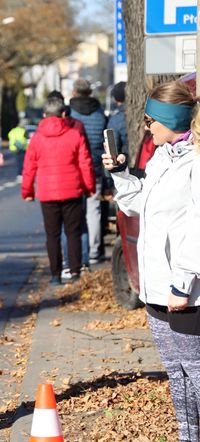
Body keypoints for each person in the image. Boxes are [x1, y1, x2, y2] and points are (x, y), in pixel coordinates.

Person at [104, 80, 200, 441]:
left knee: (196, 371)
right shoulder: (161, 156)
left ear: (170, 119)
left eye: (149, 120)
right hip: (156, 287)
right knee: (176, 373)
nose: (146, 126)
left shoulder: (195, 160)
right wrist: (120, 174)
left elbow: (198, 224)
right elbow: (139, 204)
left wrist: (184, 281)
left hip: (185, 291)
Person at [22, 96, 95, 285]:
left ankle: (55, 274)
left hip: (47, 193)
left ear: (45, 115)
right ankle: (75, 272)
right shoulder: (74, 135)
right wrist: (89, 187)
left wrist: (27, 191)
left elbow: (29, 167)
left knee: (52, 235)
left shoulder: (37, 139)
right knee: (73, 233)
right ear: (64, 114)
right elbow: (85, 163)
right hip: (72, 190)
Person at [69, 78, 107, 264]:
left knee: (76, 211)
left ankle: (77, 252)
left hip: (75, 165)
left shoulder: (70, 112)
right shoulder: (99, 112)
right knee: (94, 209)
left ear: (74, 92)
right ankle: (93, 250)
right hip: (96, 165)